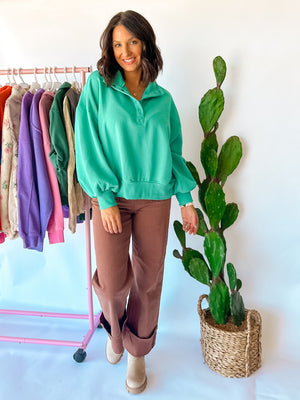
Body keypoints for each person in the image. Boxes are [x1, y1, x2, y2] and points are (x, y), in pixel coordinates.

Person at [75, 10, 198, 395]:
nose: (125, 51)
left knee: (149, 279)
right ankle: (114, 328)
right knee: (113, 283)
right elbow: (87, 142)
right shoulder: (98, 87)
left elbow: (174, 151)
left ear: (144, 42)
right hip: (112, 199)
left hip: (156, 199)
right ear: (109, 49)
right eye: (117, 44)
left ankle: (137, 351)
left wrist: (186, 199)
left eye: (132, 41)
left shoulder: (164, 99)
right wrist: (105, 197)